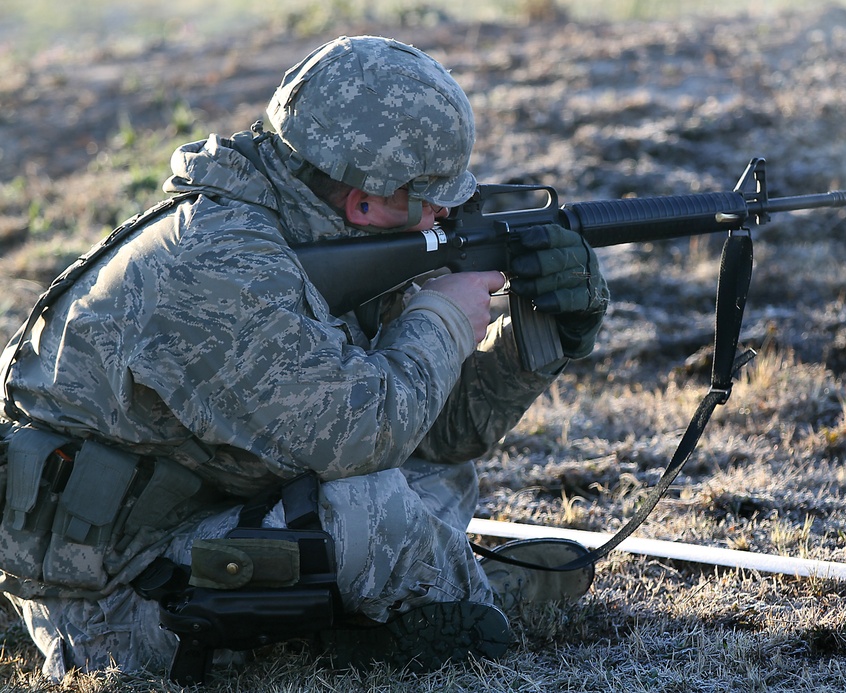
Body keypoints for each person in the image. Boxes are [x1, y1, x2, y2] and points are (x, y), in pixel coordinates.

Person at [0, 35, 608, 681]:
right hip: (114, 599)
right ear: (364, 200)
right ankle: (441, 612)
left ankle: (397, 606)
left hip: (194, 522)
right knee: (374, 505)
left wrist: (532, 345)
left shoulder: (312, 228)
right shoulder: (220, 262)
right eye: (431, 199)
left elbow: (436, 431)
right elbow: (367, 436)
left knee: (430, 478)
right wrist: (445, 315)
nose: (444, 214)